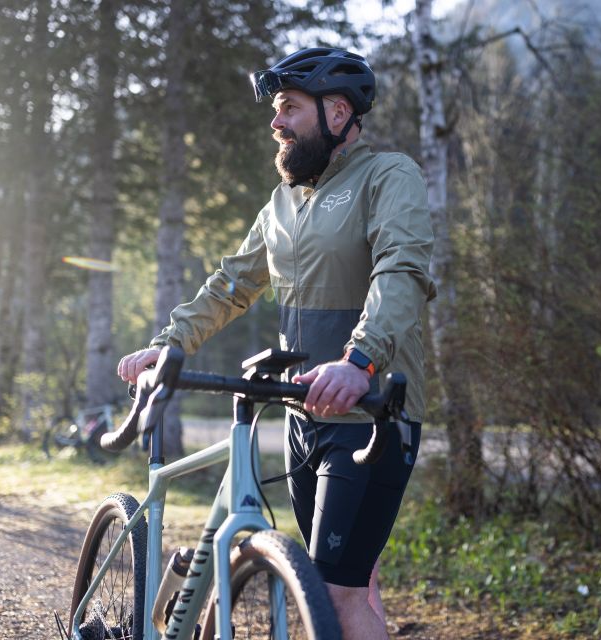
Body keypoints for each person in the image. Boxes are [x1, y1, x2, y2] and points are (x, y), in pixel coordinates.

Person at [117, 47, 435, 640]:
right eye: (276, 108)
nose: (276, 121)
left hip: (368, 415)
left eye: (289, 106)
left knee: (335, 593)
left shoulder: (388, 176)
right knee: (343, 581)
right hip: (301, 416)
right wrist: (169, 342)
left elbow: (403, 272)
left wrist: (359, 361)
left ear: (338, 113)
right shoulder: (281, 203)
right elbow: (230, 284)